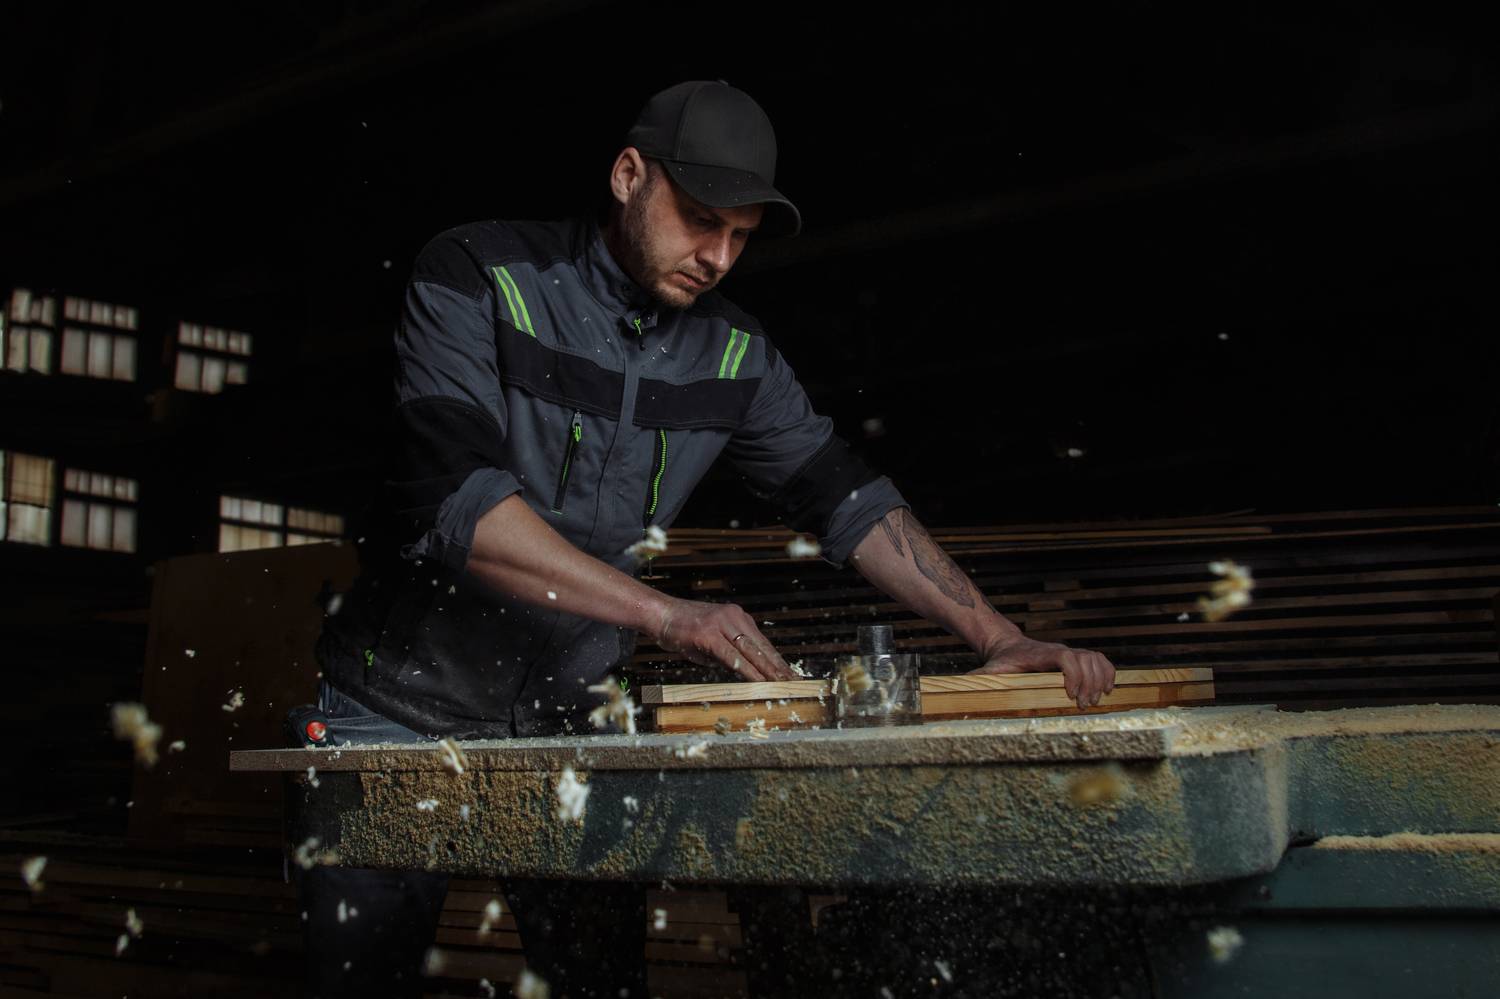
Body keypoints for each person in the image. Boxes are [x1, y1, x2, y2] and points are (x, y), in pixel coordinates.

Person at [301, 79, 1119, 998]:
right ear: (627, 175)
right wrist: (669, 616)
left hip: (576, 720)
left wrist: (999, 636)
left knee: (601, 983)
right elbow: (460, 505)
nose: (718, 257)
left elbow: (849, 500)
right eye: (698, 221)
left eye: (740, 236)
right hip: (399, 707)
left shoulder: (736, 355)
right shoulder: (476, 275)